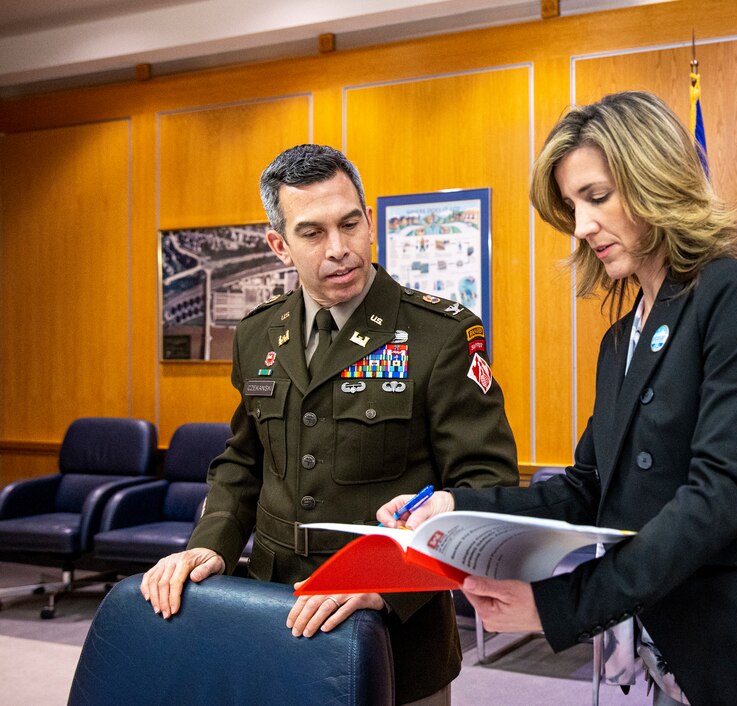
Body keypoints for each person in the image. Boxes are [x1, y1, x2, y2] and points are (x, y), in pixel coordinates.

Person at [378, 92, 737, 706]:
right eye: (571, 206)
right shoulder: (620, 340)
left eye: (597, 196)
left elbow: (717, 498)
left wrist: (558, 605)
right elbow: (587, 487)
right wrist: (455, 505)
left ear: (655, 180)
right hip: (678, 653)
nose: (582, 227)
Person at [142, 144, 520, 706]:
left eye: (349, 224)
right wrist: (211, 543)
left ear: (370, 222)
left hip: (397, 628)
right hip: (275, 608)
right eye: (313, 233)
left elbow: (487, 486)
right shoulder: (257, 334)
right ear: (279, 245)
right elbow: (244, 461)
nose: (339, 249)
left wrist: (386, 581)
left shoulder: (440, 333)